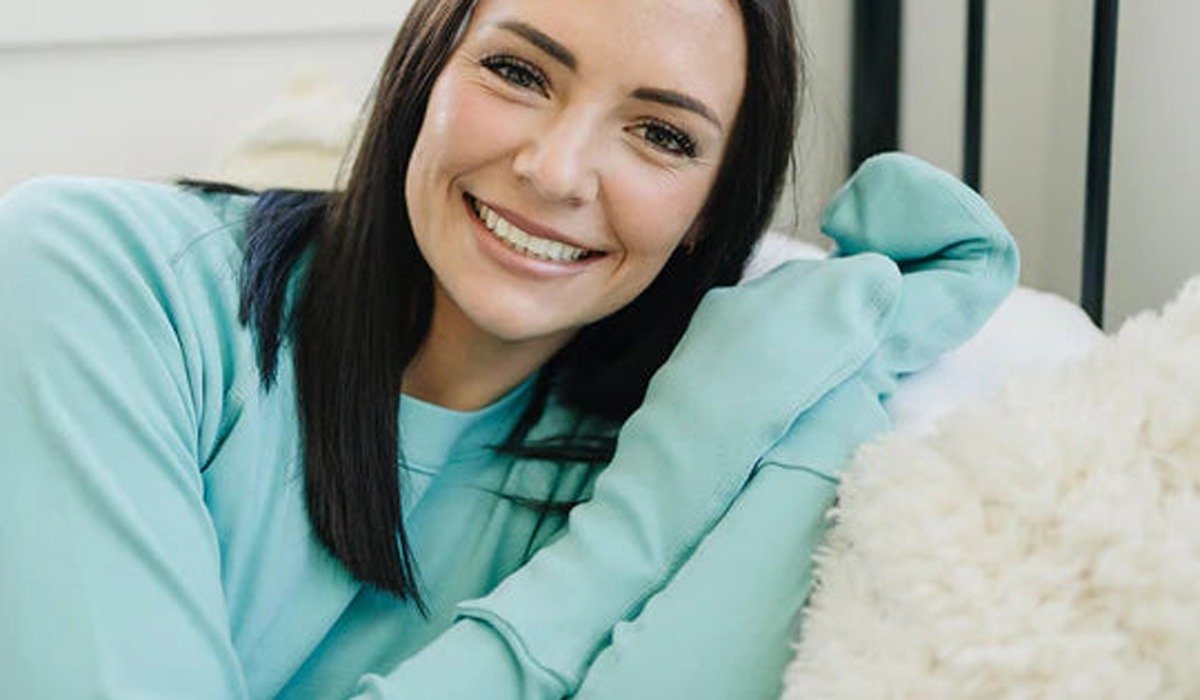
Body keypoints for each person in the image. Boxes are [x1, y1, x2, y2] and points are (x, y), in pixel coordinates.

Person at [0, 0, 1018, 697]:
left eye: (662, 135)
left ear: (714, 213)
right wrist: (639, 526)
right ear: (425, 66)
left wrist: (833, 375)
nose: (558, 171)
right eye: (519, 71)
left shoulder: (730, 421)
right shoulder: (95, 276)